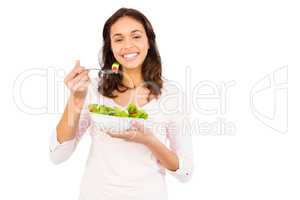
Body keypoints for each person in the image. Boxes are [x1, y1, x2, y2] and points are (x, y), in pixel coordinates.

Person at [49, 7, 194, 200]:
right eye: (118, 39)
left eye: (136, 36)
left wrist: (149, 140)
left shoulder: (171, 95)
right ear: (110, 47)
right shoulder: (92, 89)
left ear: (149, 42)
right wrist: (76, 98)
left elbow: (185, 172)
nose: (128, 45)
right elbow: (58, 156)